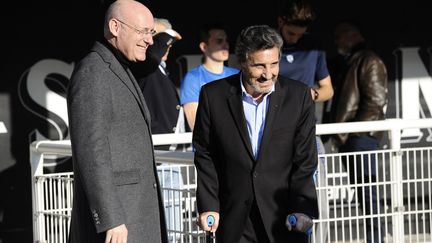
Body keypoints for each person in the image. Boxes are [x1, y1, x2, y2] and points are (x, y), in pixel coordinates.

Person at [194, 25, 318, 243]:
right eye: (259, 65)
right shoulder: (213, 96)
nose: (268, 74)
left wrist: (302, 208)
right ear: (242, 62)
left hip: (285, 217)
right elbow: (205, 154)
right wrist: (209, 206)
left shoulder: (298, 97)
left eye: (274, 64)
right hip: (234, 218)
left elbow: (305, 160)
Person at [66, 0, 168, 242]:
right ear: (115, 27)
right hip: (118, 224)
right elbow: (92, 151)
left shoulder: (121, 68)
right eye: (143, 32)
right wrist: (111, 218)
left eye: (151, 33)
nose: (150, 40)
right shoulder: (93, 72)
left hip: (135, 215)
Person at [326, 20, 388, 243]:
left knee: (369, 196)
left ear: (354, 37)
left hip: (361, 139)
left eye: (339, 37)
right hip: (351, 139)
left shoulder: (369, 60)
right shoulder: (349, 62)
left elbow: (376, 102)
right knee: (365, 196)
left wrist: (352, 133)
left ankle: (376, 239)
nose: (336, 42)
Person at [277, 1, 333, 241]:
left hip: (306, 134)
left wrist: (312, 94)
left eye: (300, 35)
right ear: (280, 22)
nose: (295, 40)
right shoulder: (268, 45)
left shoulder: (315, 48)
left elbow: (328, 89)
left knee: (307, 202)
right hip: (274, 136)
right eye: (291, 33)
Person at [131, 17, 185, 150]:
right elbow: (152, 55)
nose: (167, 45)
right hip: (156, 152)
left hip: (171, 154)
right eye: (159, 37)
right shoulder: (143, 63)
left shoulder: (160, 68)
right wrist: (170, 34)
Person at [180, 23, 239, 131]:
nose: (225, 45)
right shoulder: (193, 78)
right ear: (204, 47)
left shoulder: (237, 74)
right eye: (219, 41)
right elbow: (195, 123)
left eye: (226, 40)